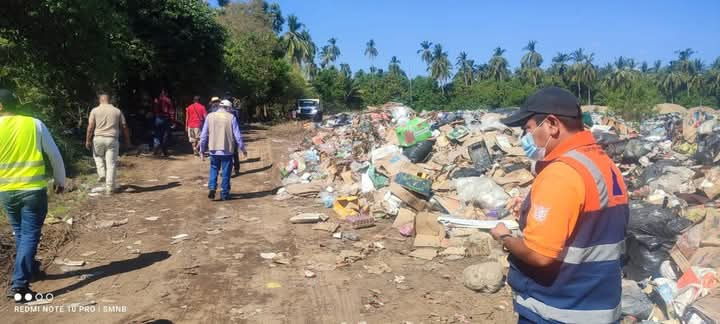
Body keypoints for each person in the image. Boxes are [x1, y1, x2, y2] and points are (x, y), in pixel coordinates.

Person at [489, 87, 629, 324]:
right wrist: (529, 207)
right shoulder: (601, 163)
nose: (527, 138)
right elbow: (588, 219)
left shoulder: (561, 173)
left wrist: (504, 237)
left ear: (552, 124)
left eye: (529, 129)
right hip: (600, 305)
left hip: (559, 309)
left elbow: (539, 255)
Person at [0, 89, 66, 302]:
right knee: (28, 235)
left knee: (21, 234)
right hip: (32, 191)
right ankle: (19, 286)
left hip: (7, 192)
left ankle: (31, 269)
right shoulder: (34, 123)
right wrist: (60, 181)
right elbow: (54, 154)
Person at [198, 100, 246, 201]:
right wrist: (242, 148)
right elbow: (238, 136)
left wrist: (202, 150)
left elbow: (203, 136)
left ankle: (212, 188)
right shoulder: (231, 117)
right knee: (226, 172)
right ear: (228, 108)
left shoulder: (209, 116)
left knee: (214, 169)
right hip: (227, 150)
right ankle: (224, 193)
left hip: (213, 150)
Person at [85, 94, 131, 194]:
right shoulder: (117, 111)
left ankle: (101, 174)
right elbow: (124, 126)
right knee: (111, 164)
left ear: (100, 100)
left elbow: (90, 127)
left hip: (98, 138)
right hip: (112, 139)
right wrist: (127, 140)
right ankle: (110, 188)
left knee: (97, 156)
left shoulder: (95, 110)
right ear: (110, 100)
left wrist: (88, 140)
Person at [152, 89, 176, 156]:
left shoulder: (156, 100)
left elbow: (154, 110)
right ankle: (164, 151)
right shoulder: (168, 100)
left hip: (158, 118)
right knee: (165, 135)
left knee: (157, 134)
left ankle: (156, 148)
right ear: (166, 93)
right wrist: (173, 121)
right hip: (166, 119)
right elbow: (171, 111)